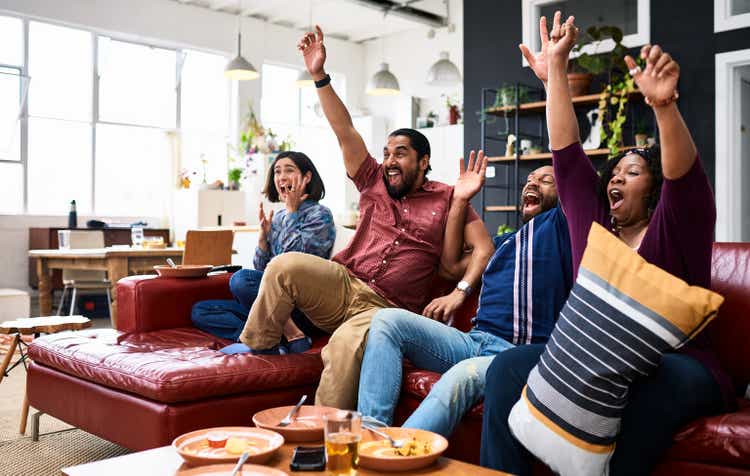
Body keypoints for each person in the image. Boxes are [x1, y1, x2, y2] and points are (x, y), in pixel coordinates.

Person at [480, 13, 734, 475]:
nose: (617, 176)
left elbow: (685, 179)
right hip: (603, 360)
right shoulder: (594, 228)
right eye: (613, 173)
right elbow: (566, 153)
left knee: (651, 382)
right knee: (506, 370)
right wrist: (556, 68)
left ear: (655, 190)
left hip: (682, 365)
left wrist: (663, 108)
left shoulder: (675, 225)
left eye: (632, 172)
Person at [232, 25, 495, 411]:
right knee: (282, 266)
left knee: (341, 349)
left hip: (384, 307)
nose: (389, 160)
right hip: (342, 282)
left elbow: (485, 249)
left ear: (423, 162)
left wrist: (460, 292)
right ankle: (259, 347)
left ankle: (319, 439)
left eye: (400, 153)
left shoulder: (449, 198)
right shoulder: (373, 179)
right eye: (387, 152)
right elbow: (344, 130)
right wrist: (319, 75)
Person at [358, 158, 572, 437]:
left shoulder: (563, 229)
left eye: (546, 180)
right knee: (387, 321)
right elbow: (449, 265)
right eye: (530, 178)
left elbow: (573, 177)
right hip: (474, 341)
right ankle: (370, 436)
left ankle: (394, 456)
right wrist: (459, 200)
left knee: (461, 377)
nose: (532, 182)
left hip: (517, 354)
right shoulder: (505, 243)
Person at [192, 151, 335, 351]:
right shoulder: (277, 217)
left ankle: (294, 335)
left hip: (302, 306)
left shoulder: (320, 215)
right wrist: (263, 240)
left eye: (289, 170)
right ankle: (265, 338)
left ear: (307, 177)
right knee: (201, 310)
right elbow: (263, 270)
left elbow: (295, 266)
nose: (282, 177)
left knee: (241, 280)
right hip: (273, 302)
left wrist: (293, 215)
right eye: (277, 172)